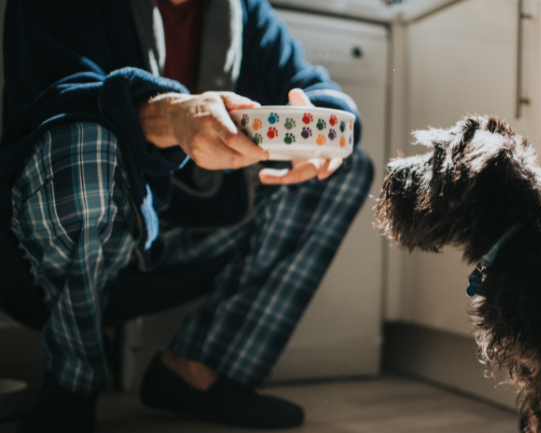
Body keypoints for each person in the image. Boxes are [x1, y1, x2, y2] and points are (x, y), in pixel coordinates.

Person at [0, 0, 374, 431]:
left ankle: (195, 371)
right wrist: (167, 115)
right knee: (85, 143)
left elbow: (314, 86)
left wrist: (327, 130)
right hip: (46, 247)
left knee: (348, 166)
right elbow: (54, 101)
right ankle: (70, 386)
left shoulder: (244, 12)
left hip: (172, 247)